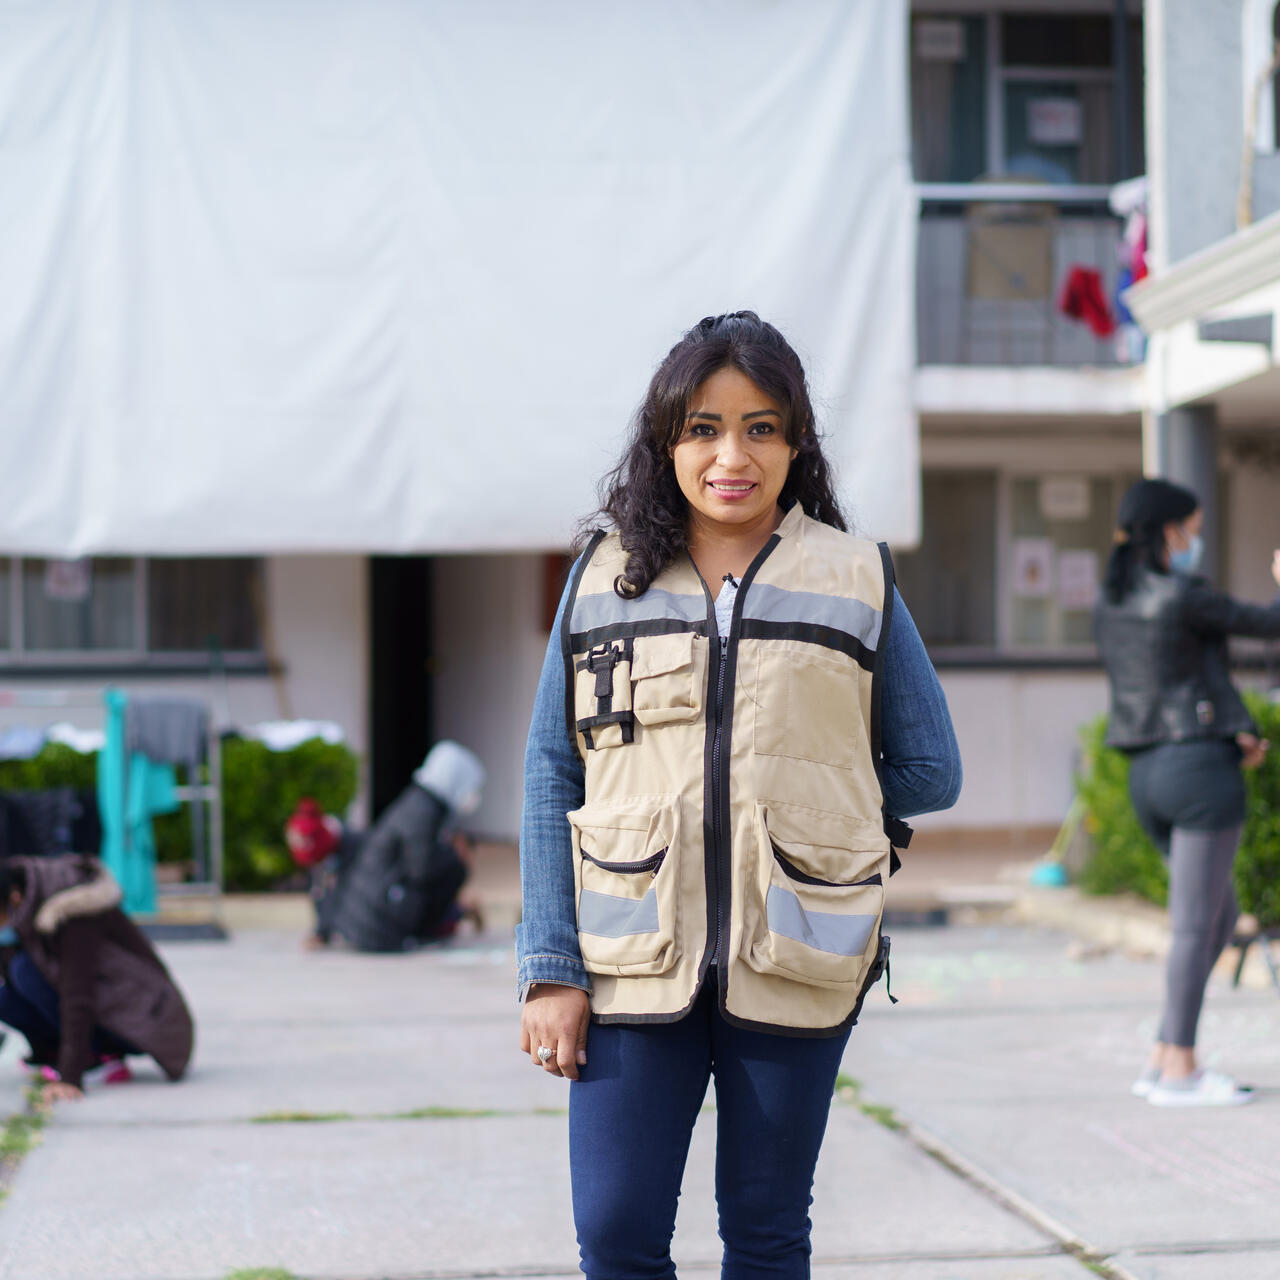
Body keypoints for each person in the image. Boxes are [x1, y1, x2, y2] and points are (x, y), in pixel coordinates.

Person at [517, 312, 961, 1277]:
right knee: (617, 1233)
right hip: (628, 953)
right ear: (666, 441)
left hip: (798, 952)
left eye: (762, 427)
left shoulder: (856, 577)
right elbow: (553, 769)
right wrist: (550, 966)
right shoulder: (603, 581)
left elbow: (932, 766)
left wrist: (830, 838)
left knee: (765, 1234)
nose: (733, 455)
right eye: (704, 428)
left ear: (797, 444)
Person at [1095, 477, 1280, 1107]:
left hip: (1148, 775)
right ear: (1169, 530)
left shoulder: (1111, 602)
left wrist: (1234, 733)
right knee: (1197, 926)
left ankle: (1162, 1053)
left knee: (1219, 918)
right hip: (1200, 778)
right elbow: (1266, 624)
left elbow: (1187, 679)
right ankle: (1181, 1069)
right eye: (1194, 531)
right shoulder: (1185, 596)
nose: (1196, 542)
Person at [0, 855, 194, 1101]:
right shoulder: (24, 906)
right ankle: (53, 1052)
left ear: (14, 899)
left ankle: (102, 1056)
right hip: (105, 1007)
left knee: (25, 971)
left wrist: (71, 1077)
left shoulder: (72, 907)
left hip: (143, 1017)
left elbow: (78, 993)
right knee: (6, 993)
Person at [318, 741, 487, 952]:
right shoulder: (424, 810)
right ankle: (426, 931)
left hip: (360, 921)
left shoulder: (418, 802)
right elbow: (421, 868)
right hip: (377, 929)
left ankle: (444, 921)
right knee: (455, 868)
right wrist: (457, 856)